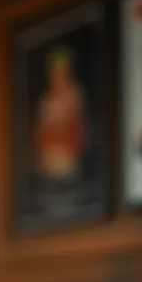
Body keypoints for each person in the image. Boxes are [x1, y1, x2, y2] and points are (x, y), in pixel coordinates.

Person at [33, 46, 88, 182]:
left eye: (62, 71)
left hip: (71, 166)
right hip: (49, 168)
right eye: (55, 72)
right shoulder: (45, 102)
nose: (58, 77)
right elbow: (40, 136)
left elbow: (80, 132)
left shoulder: (75, 95)